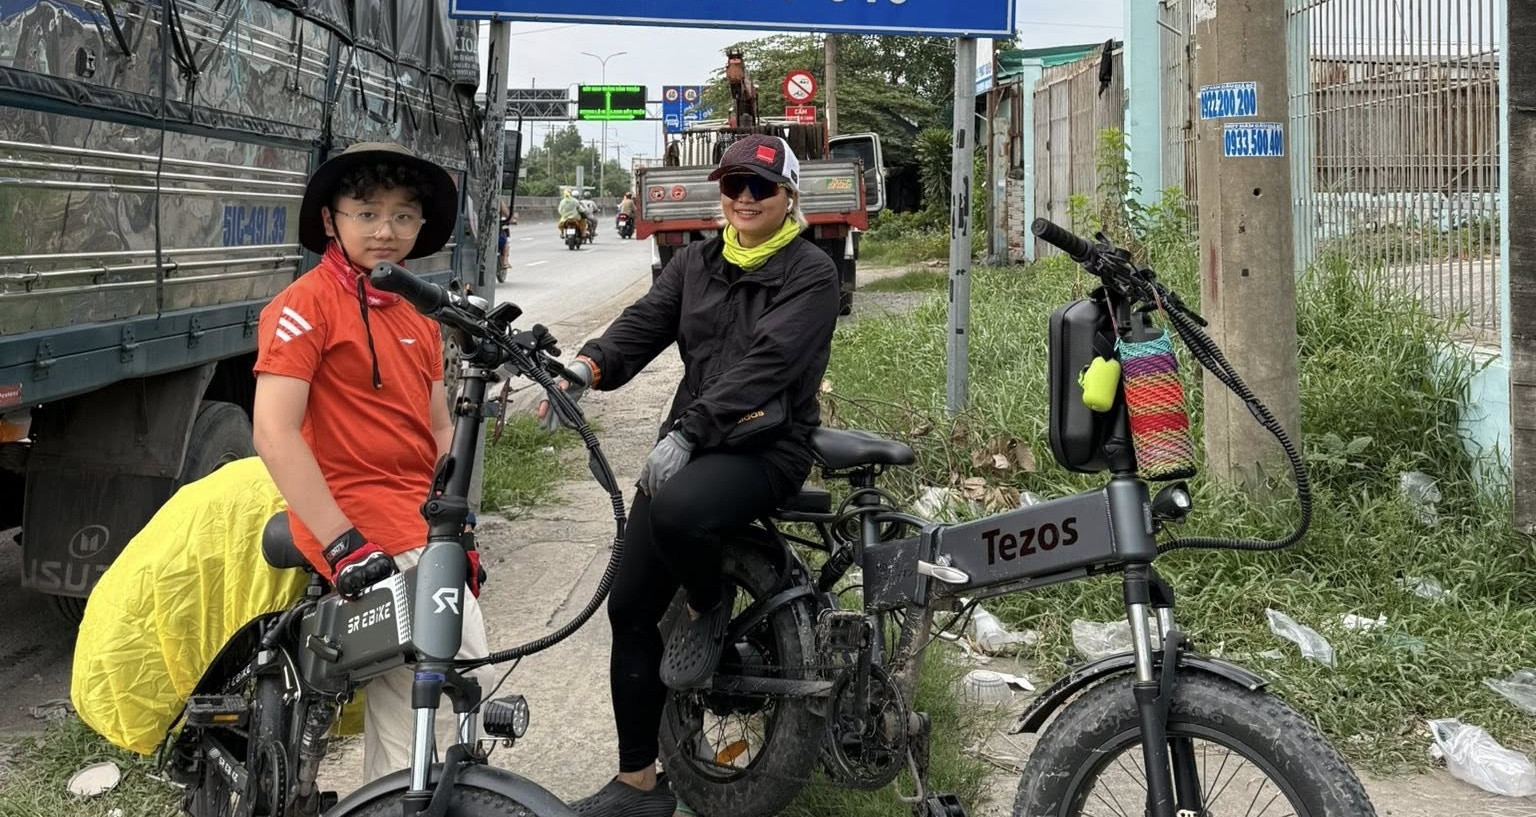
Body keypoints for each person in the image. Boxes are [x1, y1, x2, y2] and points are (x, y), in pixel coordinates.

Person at [537, 135, 837, 817]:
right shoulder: (697, 263)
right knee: (629, 606)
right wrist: (587, 366)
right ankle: (639, 780)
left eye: (761, 186)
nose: (745, 198)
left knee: (675, 509)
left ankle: (708, 602)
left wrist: (691, 431)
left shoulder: (810, 272)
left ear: (789, 195)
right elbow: (644, 324)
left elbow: (770, 362)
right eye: (734, 185)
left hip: (767, 446)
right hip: (694, 439)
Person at [251, 141, 494, 783]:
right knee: (440, 679)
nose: (385, 231)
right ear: (331, 219)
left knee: (454, 688)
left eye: (403, 215)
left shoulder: (417, 312)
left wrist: (458, 527)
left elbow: (441, 426)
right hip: (354, 517)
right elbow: (274, 433)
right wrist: (341, 543)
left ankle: (407, 793)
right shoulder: (304, 306)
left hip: (418, 518)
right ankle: (399, 798)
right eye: (366, 212)